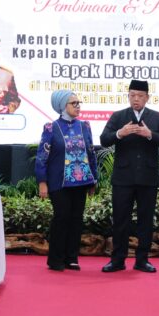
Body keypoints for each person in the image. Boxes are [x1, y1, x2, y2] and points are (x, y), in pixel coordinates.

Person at [99, 80, 159, 273]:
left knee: (145, 221)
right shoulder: (118, 116)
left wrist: (150, 134)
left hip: (148, 178)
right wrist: (119, 133)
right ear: (128, 96)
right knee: (120, 220)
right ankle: (117, 260)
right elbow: (104, 140)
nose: (136, 99)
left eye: (140, 96)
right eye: (132, 95)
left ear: (147, 97)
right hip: (123, 178)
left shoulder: (156, 118)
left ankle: (142, 260)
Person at [35, 90, 97, 271]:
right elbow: (42, 157)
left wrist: (94, 179)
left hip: (81, 182)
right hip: (59, 182)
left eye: (79, 103)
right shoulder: (51, 128)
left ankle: (71, 258)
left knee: (76, 219)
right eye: (73, 103)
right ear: (63, 106)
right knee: (61, 218)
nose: (78, 106)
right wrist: (42, 182)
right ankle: (56, 259)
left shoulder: (84, 127)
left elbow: (91, 153)